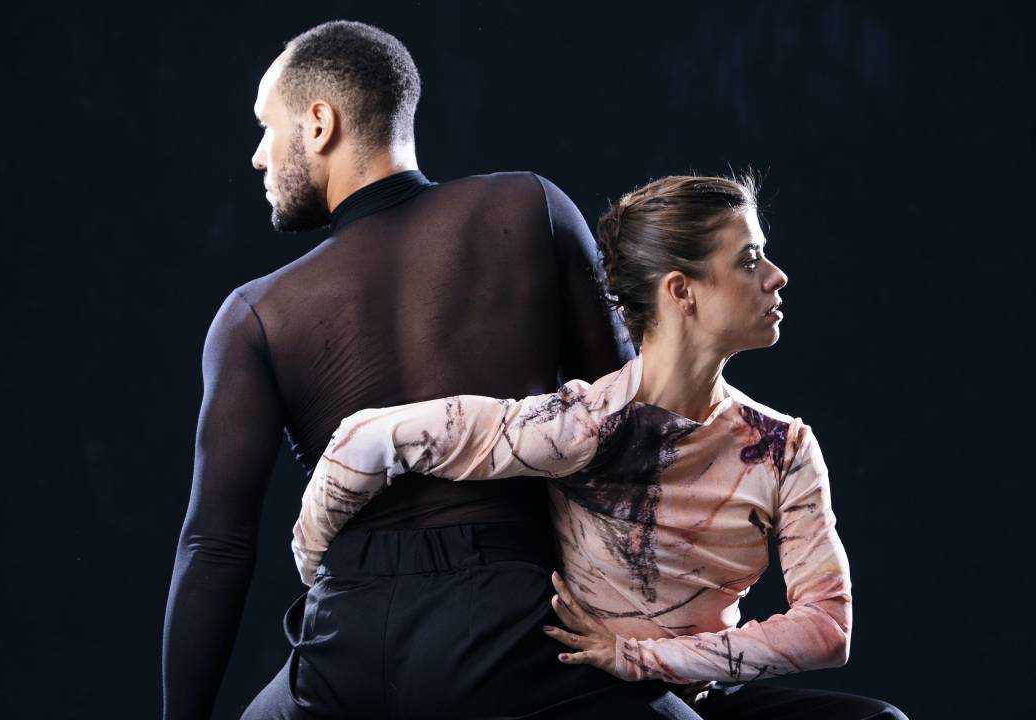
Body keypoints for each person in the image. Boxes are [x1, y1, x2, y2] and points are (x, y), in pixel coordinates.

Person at [162, 20, 695, 720]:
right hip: (517, 628)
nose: (259, 157)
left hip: (341, 655)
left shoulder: (255, 314)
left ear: (319, 124)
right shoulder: (529, 206)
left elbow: (215, 545)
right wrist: (673, 643)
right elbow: (636, 434)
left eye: (268, 129)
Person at [294, 174, 908, 719]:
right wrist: (313, 559)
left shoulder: (782, 447)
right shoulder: (588, 423)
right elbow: (366, 437)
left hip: (691, 684)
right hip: (592, 695)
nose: (777, 276)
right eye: (750, 260)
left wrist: (643, 656)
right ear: (681, 290)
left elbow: (827, 628)